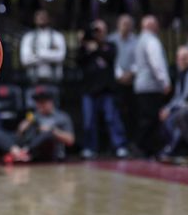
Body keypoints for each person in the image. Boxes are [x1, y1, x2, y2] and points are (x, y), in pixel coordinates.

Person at [76, 20, 129, 158]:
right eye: (96, 30)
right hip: (89, 90)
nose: (98, 33)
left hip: (107, 90)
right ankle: (90, 148)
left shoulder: (110, 45)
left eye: (101, 30)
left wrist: (96, 49)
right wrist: (83, 44)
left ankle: (120, 146)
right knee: (89, 121)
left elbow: (110, 57)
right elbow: (78, 61)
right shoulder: (85, 47)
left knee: (112, 119)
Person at [0, 86, 75, 163]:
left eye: (43, 102)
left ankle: (25, 151)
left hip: (47, 151)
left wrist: (52, 130)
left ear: (51, 102)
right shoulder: (34, 115)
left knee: (47, 133)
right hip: (28, 143)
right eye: (37, 102)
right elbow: (19, 133)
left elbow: (70, 140)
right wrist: (25, 124)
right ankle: (18, 152)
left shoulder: (62, 117)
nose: (39, 105)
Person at [133, 16, 171, 157]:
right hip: (151, 85)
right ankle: (142, 147)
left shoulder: (139, 40)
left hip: (141, 85)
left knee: (146, 118)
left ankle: (144, 148)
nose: (158, 27)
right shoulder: (151, 41)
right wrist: (165, 81)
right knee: (151, 119)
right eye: (156, 24)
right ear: (151, 25)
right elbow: (157, 63)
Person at [19, 9, 66, 84]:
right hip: (33, 81)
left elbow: (61, 57)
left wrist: (38, 53)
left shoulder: (58, 36)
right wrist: (51, 55)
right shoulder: (28, 37)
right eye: (39, 16)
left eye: (43, 16)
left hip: (54, 81)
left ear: (48, 18)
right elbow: (25, 60)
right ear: (34, 19)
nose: (41, 18)